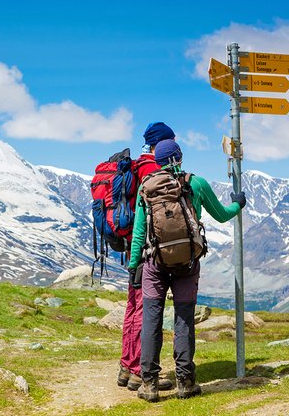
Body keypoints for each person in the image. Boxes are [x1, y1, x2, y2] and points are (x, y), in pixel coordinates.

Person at [127, 139, 247, 402]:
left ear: (157, 161)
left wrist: (134, 265)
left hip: (154, 265)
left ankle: (149, 384)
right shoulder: (197, 183)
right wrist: (238, 203)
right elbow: (223, 214)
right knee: (183, 320)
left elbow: (139, 233)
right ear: (179, 157)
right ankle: (186, 382)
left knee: (151, 321)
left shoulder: (147, 188)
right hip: (188, 264)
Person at [117, 122, 176, 392]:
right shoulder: (153, 170)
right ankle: (141, 371)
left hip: (131, 247)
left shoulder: (136, 166)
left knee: (132, 305)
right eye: (169, 141)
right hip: (145, 249)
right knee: (144, 307)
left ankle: (127, 367)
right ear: (159, 144)